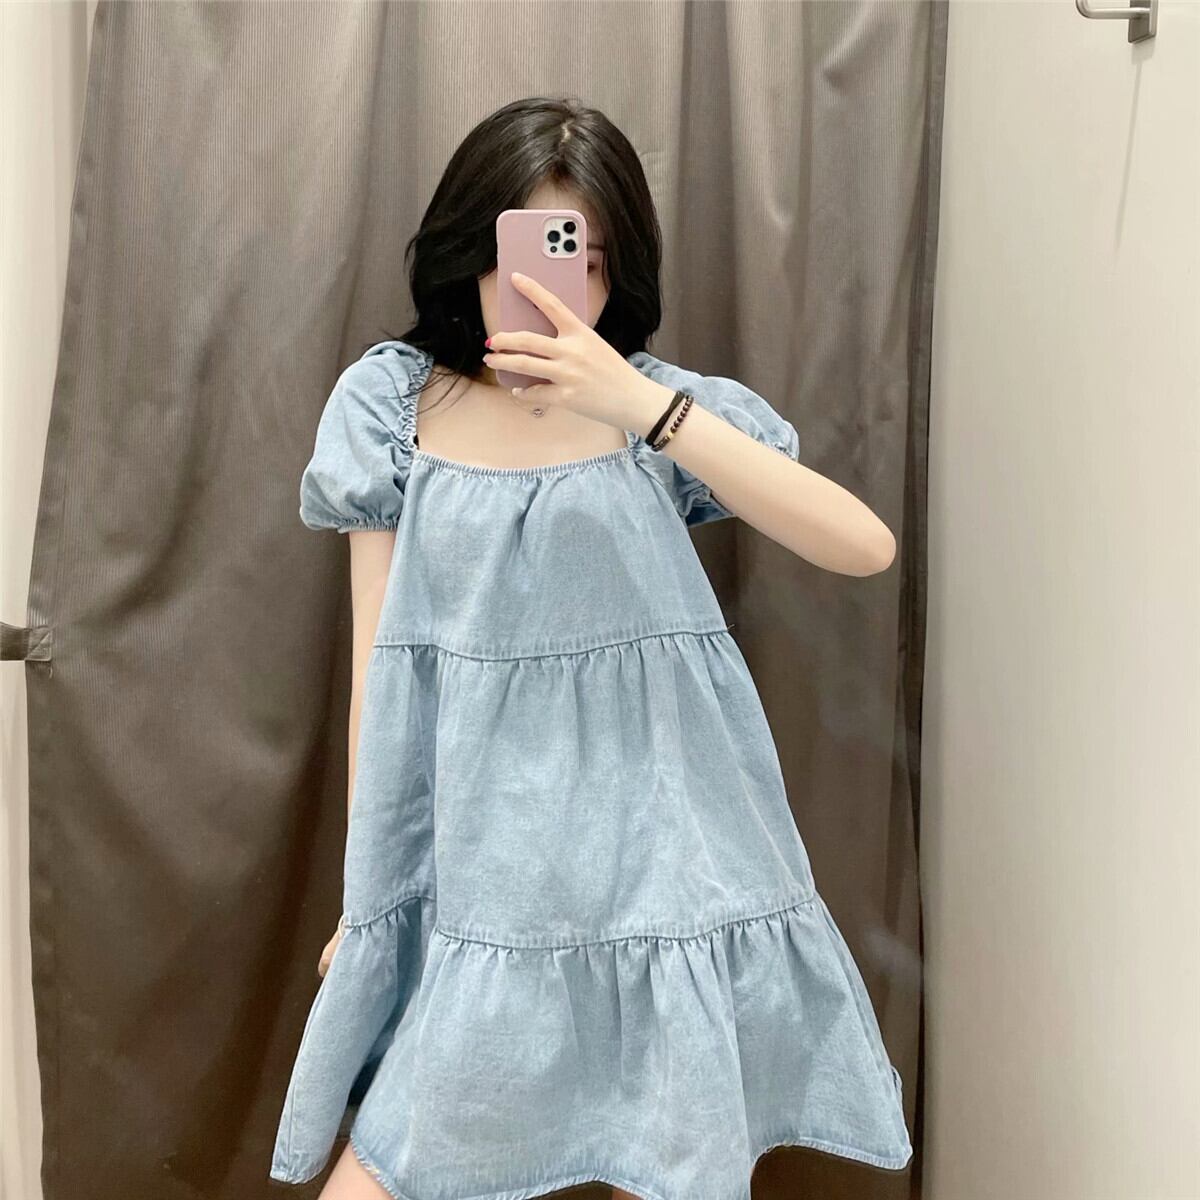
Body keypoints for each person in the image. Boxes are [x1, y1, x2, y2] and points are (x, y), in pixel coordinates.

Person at [269, 96, 913, 1200]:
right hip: (486, 884)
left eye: (588, 259)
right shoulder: (391, 407)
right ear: (472, 251)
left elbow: (863, 546)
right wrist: (368, 893)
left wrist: (638, 403)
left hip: (668, 867)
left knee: (663, 1166)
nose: (551, 287)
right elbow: (385, 665)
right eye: (523, 250)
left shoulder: (660, 411)